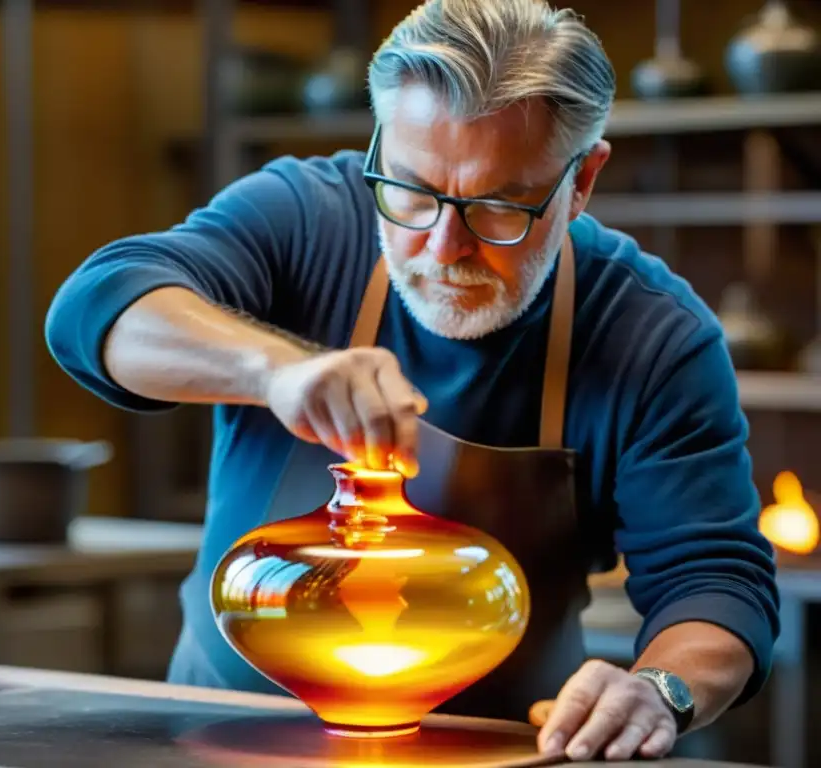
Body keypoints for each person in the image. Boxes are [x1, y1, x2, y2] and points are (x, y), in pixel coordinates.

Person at [45, 0, 780, 761]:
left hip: (498, 754)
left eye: (497, 206)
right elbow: (97, 307)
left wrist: (661, 687)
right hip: (218, 739)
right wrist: (277, 371)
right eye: (413, 191)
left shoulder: (653, 335)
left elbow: (716, 585)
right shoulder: (304, 218)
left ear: (582, 179)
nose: (442, 245)